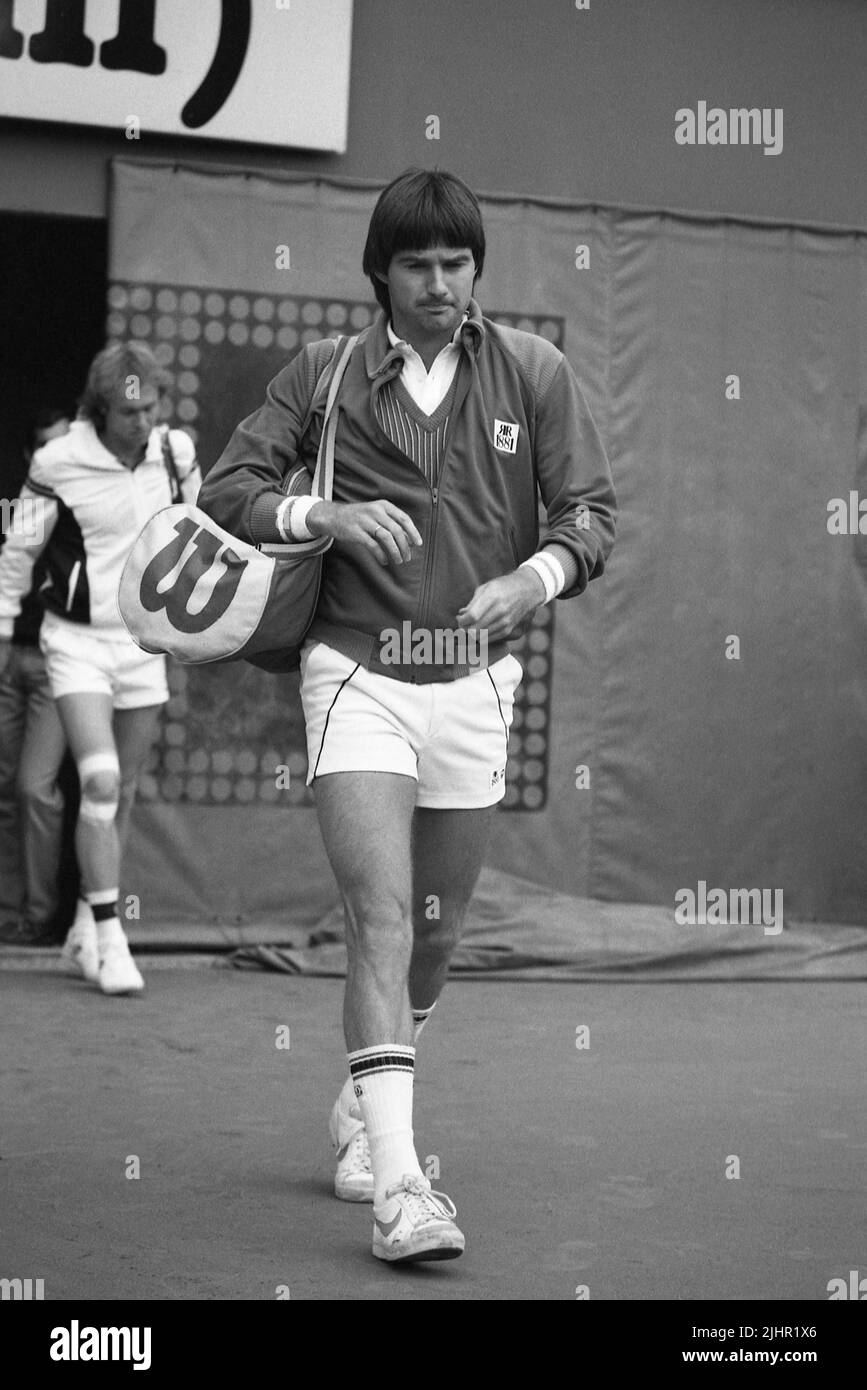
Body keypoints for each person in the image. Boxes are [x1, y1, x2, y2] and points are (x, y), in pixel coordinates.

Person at [199, 168, 617, 1263]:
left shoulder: (534, 371)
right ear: (379, 273)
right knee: (381, 920)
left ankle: (359, 1109)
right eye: (418, 265)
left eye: (457, 263)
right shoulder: (325, 374)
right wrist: (321, 510)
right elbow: (228, 486)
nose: (440, 284)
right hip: (356, 672)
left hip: (475, 684)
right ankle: (400, 1187)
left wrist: (531, 581)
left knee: (434, 938)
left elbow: (592, 517)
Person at [0, 343, 199, 993]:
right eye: (128, 411)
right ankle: (113, 940)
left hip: (142, 643)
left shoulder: (176, 454)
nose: (142, 421)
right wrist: (3, 628)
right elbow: (20, 549)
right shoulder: (58, 461)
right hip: (75, 643)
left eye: (151, 408)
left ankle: (86, 924)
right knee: (102, 778)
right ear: (99, 409)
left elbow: (193, 530)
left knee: (124, 787)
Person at [0, 409, 71, 945]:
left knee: (35, 787)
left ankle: (41, 914)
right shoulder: (22, 506)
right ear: (32, 459)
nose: (61, 458)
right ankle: (10, 912)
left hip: (58, 661)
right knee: (5, 788)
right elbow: (11, 567)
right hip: (9, 656)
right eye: (49, 448)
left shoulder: (86, 503)